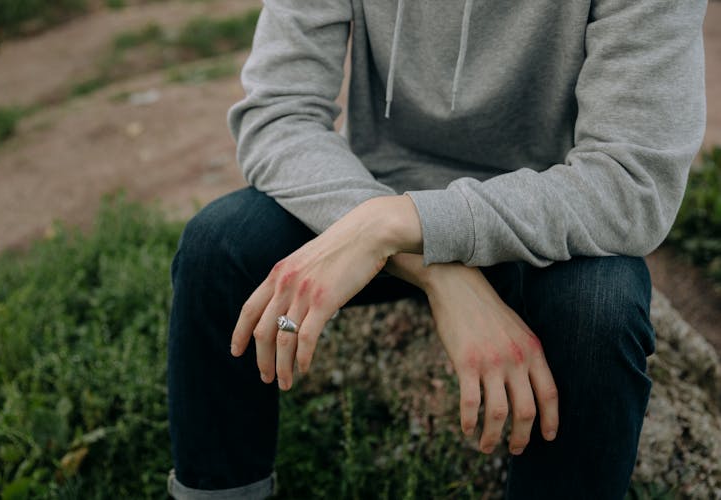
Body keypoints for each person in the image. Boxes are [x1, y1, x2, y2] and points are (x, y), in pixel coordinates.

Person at [166, 0, 707, 498]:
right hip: (380, 196)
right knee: (220, 247)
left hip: (548, 215)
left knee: (598, 312)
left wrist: (400, 226)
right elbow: (277, 114)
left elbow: (632, 183)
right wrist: (433, 267)